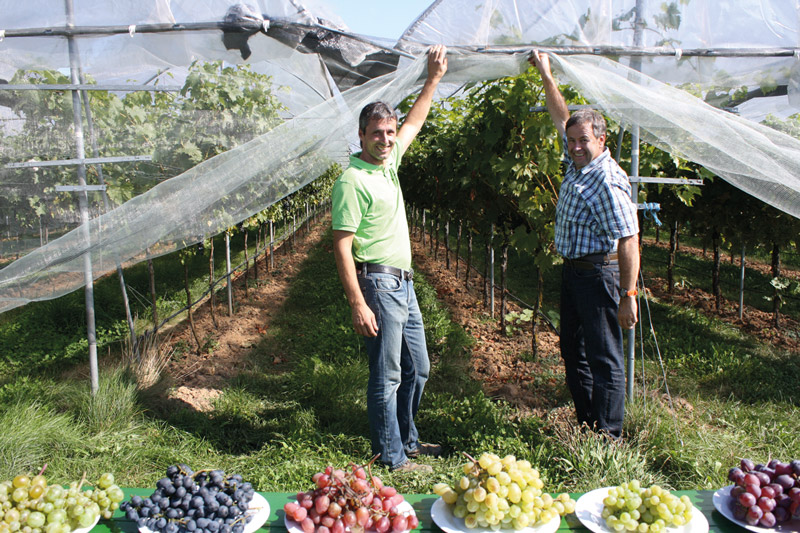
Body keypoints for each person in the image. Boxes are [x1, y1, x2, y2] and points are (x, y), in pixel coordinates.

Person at [331, 45, 448, 472]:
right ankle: (392, 457)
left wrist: (433, 79)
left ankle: (407, 440)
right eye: (376, 133)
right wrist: (357, 303)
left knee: (418, 368)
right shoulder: (352, 180)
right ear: (361, 136)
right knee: (387, 375)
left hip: (405, 283)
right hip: (377, 285)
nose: (385, 139)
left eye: (390, 132)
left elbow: (416, 120)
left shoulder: (389, 164)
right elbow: (341, 244)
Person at [529, 51, 640, 438]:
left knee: (604, 357)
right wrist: (546, 74)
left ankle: (608, 437)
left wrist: (629, 294)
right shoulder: (579, 163)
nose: (575, 145)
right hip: (575, 273)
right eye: (572, 140)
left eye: (583, 140)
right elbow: (561, 117)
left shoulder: (606, 180)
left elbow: (629, 237)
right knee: (572, 352)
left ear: (601, 139)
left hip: (599, 275)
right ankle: (589, 424)